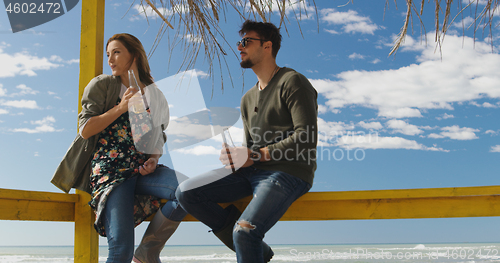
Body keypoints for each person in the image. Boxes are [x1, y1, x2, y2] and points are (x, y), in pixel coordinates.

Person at [176, 20, 318, 262]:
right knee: (186, 192)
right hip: (252, 172)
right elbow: (252, 149)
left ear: (267, 46)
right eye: (239, 42)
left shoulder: (292, 81)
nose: (239, 47)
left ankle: (249, 243)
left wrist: (254, 155)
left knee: (245, 231)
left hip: (288, 172)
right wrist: (236, 157)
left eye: (246, 42)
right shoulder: (247, 98)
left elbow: (306, 138)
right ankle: (258, 251)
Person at [51, 33, 187, 263]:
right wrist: (121, 107)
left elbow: (158, 136)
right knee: (121, 251)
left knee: (187, 190)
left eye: (116, 52)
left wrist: (154, 158)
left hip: (143, 170)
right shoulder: (103, 85)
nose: (110, 59)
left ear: (133, 54)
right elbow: (85, 129)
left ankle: (147, 250)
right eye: (108, 54)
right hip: (111, 173)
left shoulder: (156, 95)